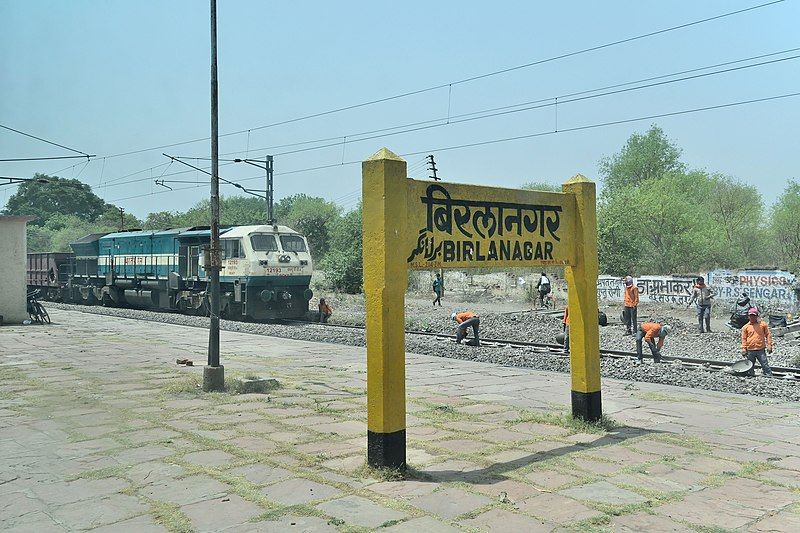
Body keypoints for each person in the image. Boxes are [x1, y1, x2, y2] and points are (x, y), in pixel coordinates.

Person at [741, 307, 774, 377]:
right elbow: (744, 339)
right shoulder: (746, 327)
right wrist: (744, 349)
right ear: (748, 316)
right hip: (750, 350)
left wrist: (769, 345)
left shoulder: (762, 324)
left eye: (754, 315)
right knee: (750, 365)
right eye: (750, 315)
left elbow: (768, 335)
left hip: (760, 349)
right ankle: (751, 376)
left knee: (764, 364)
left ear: (757, 316)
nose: (752, 317)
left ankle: (769, 376)